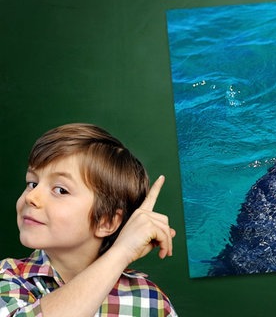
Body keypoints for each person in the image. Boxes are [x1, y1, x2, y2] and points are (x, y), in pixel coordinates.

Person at [0, 123, 177, 316]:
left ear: (106, 221)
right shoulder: (8, 276)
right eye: (32, 183)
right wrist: (122, 251)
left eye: (60, 190)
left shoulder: (150, 302)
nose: (30, 197)